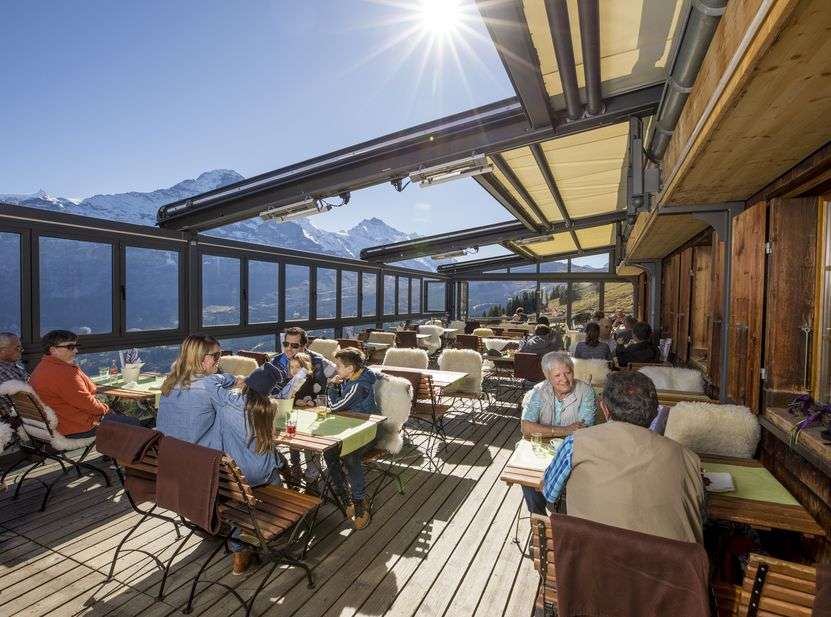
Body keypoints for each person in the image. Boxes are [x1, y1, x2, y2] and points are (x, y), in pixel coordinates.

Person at [540, 371, 705, 543]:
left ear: (604, 408)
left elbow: (549, 493)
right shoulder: (689, 458)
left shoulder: (575, 442)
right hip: (668, 559)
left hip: (593, 555)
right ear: (655, 412)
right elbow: (701, 516)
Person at [215, 361, 285, 574]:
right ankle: (264, 534)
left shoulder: (226, 402)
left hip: (233, 474)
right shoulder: (269, 407)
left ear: (247, 383)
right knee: (278, 476)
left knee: (240, 502)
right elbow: (271, 439)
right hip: (262, 474)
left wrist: (235, 382)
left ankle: (239, 554)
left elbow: (214, 386)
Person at [520, 352, 596, 514]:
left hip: (573, 453)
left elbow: (582, 432)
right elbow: (526, 428)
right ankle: (539, 518)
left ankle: (567, 517)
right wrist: (565, 430)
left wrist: (542, 430)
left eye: (568, 372)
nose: (564, 379)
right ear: (548, 377)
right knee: (527, 477)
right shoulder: (539, 391)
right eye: (557, 375)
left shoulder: (586, 391)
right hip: (543, 452)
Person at [29, 330, 140, 437]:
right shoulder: (63, 373)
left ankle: (113, 449)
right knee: (132, 423)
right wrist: (107, 410)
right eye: (70, 347)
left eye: (76, 346)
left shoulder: (42, 367)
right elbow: (87, 403)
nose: (76, 351)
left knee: (120, 417)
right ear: (53, 350)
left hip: (55, 425)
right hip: (76, 426)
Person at [322, 348, 378, 530]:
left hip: (369, 430)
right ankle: (346, 498)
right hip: (350, 427)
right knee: (329, 452)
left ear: (350, 368)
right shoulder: (353, 377)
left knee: (350, 457)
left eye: (338, 366)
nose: (335, 369)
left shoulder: (359, 385)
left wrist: (331, 386)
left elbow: (334, 406)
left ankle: (359, 502)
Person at [156, 335, 240, 450]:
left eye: (220, 354)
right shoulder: (209, 388)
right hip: (199, 456)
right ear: (200, 358)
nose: (219, 359)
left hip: (167, 453)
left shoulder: (170, 383)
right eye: (216, 355)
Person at [271, 327, 335, 396]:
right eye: (286, 344)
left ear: (304, 346)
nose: (288, 348)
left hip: (312, 401)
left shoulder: (318, 360)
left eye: (294, 345)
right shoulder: (275, 361)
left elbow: (340, 373)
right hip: (281, 401)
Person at [0, 333, 28, 417]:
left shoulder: (13, 364)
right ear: (2, 351)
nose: (22, 350)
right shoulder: (3, 372)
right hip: (18, 419)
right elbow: (25, 402)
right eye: (17, 348)